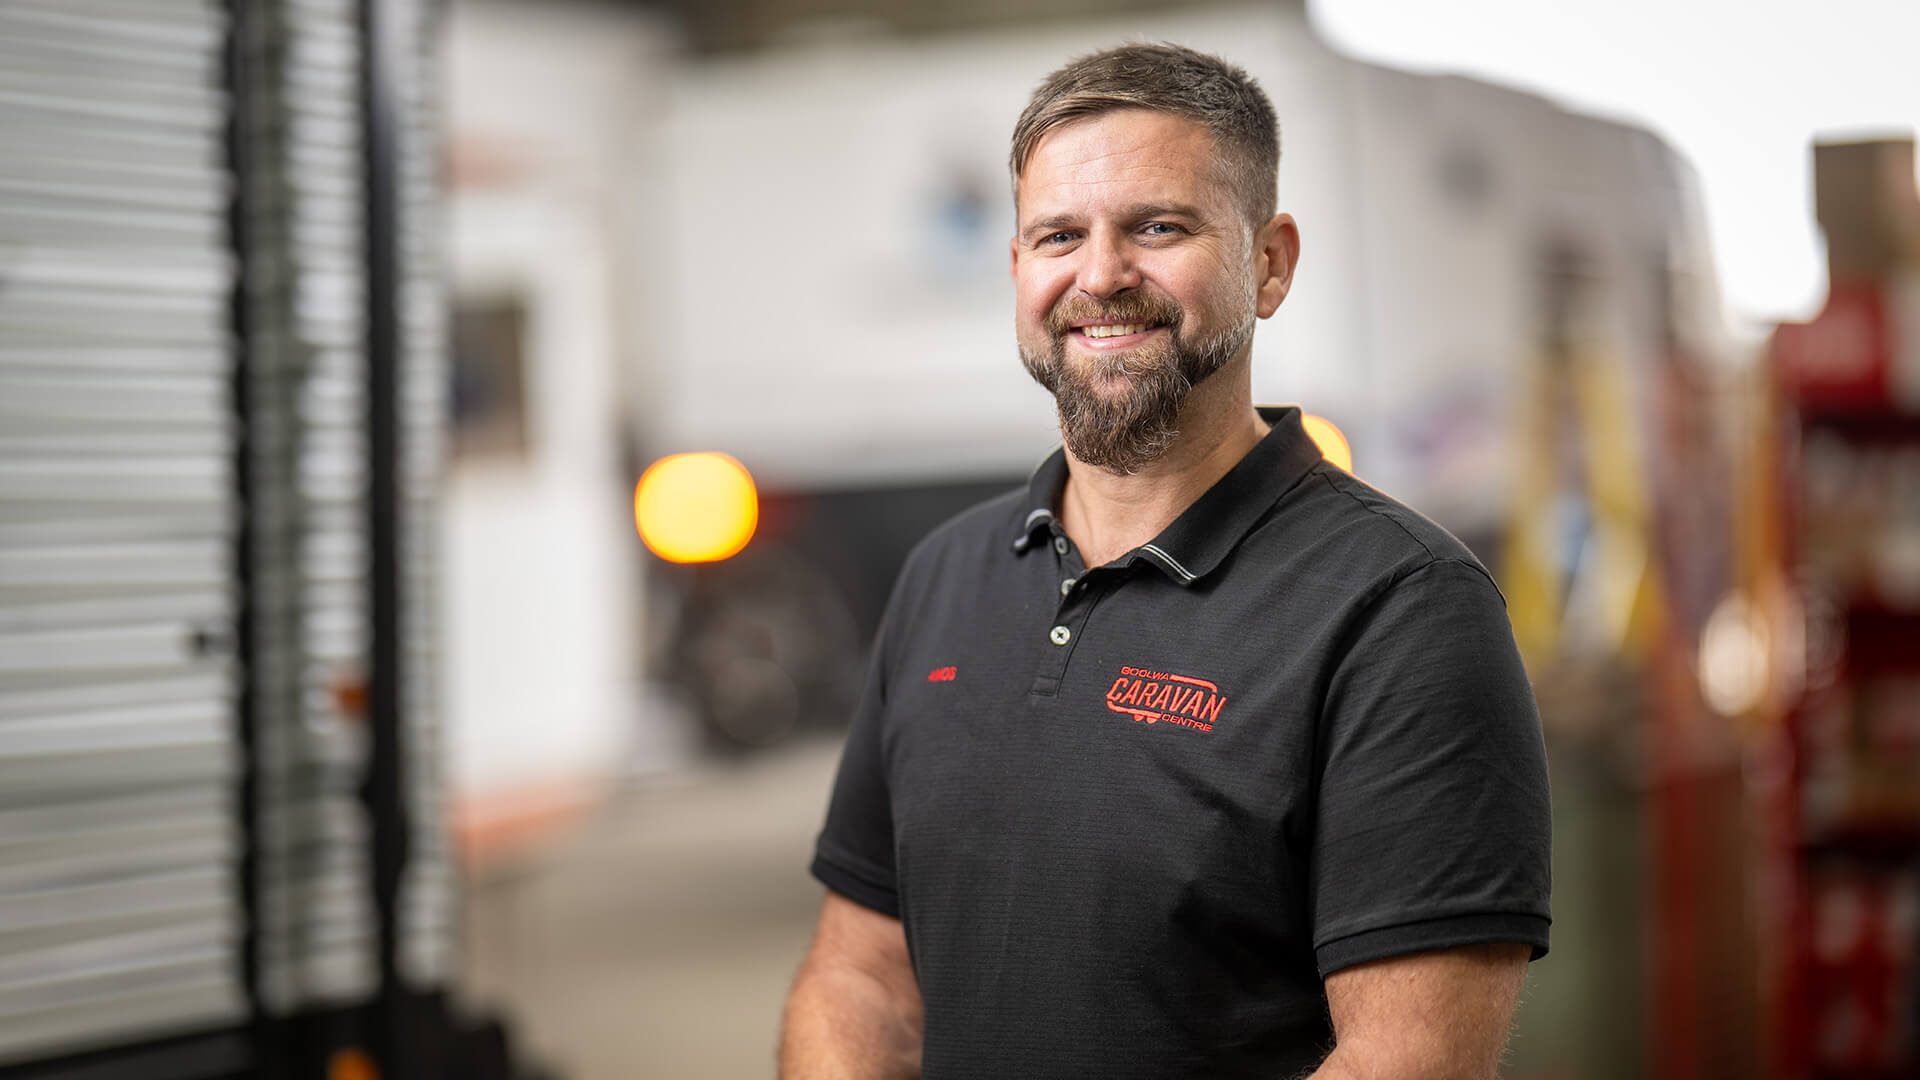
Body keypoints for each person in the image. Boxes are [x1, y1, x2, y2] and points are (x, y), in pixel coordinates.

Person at [779, 43, 1551, 1079]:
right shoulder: (943, 580)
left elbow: (1407, 1063)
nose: (1100, 276)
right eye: (1060, 234)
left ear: (1269, 262)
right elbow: (860, 976)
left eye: (1158, 226)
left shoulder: (1402, 613)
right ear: (1018, 271)